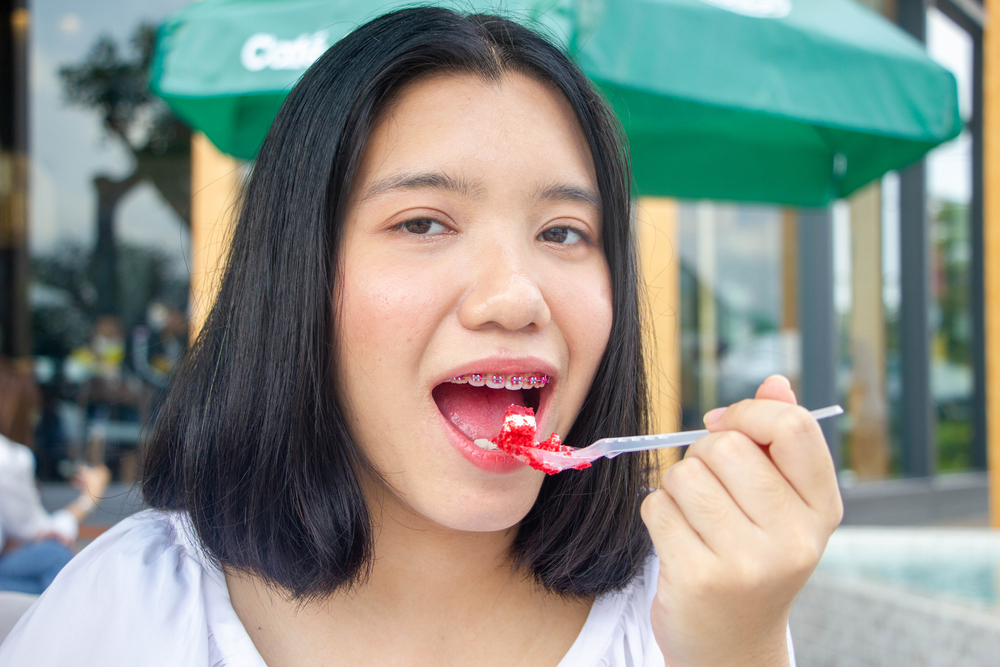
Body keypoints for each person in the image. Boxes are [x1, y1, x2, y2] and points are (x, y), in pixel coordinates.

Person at [0, 8, 842, 665]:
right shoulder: (130, 612)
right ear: (298, 274)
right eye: (424, 222)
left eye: (563, 233)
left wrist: (737, 649)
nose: (516, 297)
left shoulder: (692, 620)